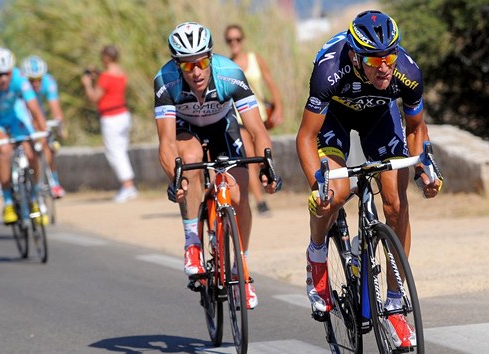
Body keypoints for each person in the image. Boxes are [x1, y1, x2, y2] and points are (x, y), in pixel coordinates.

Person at [296, 10, 442, 349]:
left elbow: (417, 128)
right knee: (335, 192)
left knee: (395, 203)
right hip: (336, 117)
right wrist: (317, 186)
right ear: (355, 56)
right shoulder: (329, 71)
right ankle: (317, 256)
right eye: (374, 59)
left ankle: (393, 304)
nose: (384, 66)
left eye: (389, 55)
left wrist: (425, 170)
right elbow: (306, 137)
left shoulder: (406, 72)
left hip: (380, 117)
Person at [154, 22, 282, 309]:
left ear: (210, 57)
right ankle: (192, 243)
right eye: (188, 66)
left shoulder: (230, 74)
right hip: (186, 131)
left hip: (223, 127)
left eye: (201, 62)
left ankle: (241, 270)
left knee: (239, 194)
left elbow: (257, 130)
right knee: (189, 160)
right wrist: (175, 179)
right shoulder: (165, 81)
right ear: (177, 66)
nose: (196, 72)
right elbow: (165, 141)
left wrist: (267, 167)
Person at [0, 47, 48, 225]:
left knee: (31, 153)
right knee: (4, 149)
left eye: (6, 73)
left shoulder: (19, 77)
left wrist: (43, 133)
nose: (3, 79)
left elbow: (34, 108)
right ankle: (8, 201)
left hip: (15, 119)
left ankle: (34, 197)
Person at [224, 24, 284, 217]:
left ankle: (263, 186)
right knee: (249, 158)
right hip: (238, 117)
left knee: (261, 157)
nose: (234, 43)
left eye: (237, 39)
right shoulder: (226, 65)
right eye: (230, 40)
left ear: (243, 40)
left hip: (260, 115)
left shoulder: (254, 59)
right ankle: (260, 201)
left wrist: (278, 106)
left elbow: (270, 82)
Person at [81, 45, 138, 203]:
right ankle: (129, 185)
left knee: (114, 152)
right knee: (121, 150)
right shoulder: (121, 73)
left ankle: (128, 186)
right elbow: (111, 81)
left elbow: (94, 97)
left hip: (111, 118)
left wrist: (87, 83)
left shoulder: (105, 77)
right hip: (123, 115)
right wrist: (98, 74)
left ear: (106, 57)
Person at [20, 55, 67, 198]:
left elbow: (55, 107)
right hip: (22, 113)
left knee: (47, 144)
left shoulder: (49, 82)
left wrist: (60, 126)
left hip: (38, 113)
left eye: (39, 79)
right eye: (31, 80)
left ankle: (54, 182)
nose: (35, 83)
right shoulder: (20, 85)